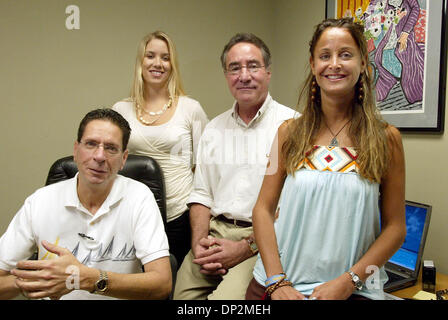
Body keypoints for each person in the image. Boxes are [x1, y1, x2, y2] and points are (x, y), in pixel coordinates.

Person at [246, 17, 406, 300]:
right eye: (325, 56)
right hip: (279, 286)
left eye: (346, 54)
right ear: (313, 65)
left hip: (351, 290)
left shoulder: (386, 139)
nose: (334, 64)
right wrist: (277, 281)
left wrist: (350, 280)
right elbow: (262, 210)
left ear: (363, 63)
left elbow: (395, 228)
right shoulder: (288, 133)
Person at [173, 33, 296, 300]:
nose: (244, 75)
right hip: (214, 235)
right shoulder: (213, 129)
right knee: (181, 298)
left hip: (262, 240)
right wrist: (198, 244)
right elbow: (201, 195)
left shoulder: (293, 126)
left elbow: (294, 207)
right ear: (226, 75)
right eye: (234, 68)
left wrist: (244, 247)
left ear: (268, 72)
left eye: (253, 66)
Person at [0, 108, 171, 300]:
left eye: (111, 148)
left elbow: (162, 284)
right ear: (76, 150)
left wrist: (86, 279)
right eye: (91, 144)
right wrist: (35, 280)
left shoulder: (139, 197)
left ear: (123, 159)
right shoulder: (40, 201)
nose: (99, 156)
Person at [112, 31, 208, 268]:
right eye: (150, 56)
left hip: (180, 214)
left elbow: (206, 166)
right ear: (140, 62)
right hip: (133, 213)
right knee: (137, 280)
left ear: (172, 64)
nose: (158, 63)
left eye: (165, 58)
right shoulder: (120, 110)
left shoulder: (191, 109)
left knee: (174, 281)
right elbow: (112, 162)